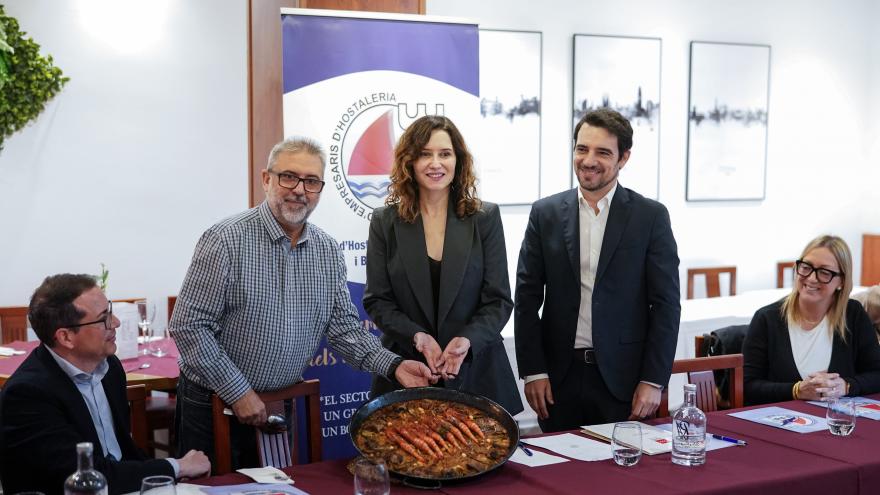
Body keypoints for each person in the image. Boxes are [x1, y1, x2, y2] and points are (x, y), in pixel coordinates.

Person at [170, 137, 435, 469]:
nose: (299, 189)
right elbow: (188, 326)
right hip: (215, 405)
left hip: (279, 406)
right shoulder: (225, 240)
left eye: (311, 181)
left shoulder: (327, 250)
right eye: (288, 177)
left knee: (277, 490)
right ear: (266, 179)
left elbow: (344, 332)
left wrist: (395, 366)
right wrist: (238, 391)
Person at [514, 108, 680, 432]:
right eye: (582, 149)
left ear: (624, 158)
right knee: (558, 475)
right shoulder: (544, 214)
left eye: (603, 152)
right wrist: (533, 371)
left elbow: (666, 306)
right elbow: (526, 297)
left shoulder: (650, 217)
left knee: (621, 479)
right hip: (557, 381)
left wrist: (653, 380)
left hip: (624, 382)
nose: (589, 160)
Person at [363, 115, 523, 414]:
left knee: (479, 461)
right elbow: (378, 301)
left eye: (444, 154)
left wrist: (467, 339)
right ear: (409, 161)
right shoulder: (385, 221)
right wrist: (418, 338)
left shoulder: (484, 218)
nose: (435, 163)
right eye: (425, 154)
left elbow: (498, 300)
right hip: (408, 374)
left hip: (477, 372)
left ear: (458, 161)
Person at [0, 274, 210, 495]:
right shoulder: (27, 395)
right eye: (104, 318)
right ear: (66, 337)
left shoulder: (109, 368)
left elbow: (122, 453)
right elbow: (88, 476)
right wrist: (176, 466)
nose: (116, 323)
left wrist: (170, 474)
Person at [743, 235, 880, 405]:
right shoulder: (766, 319)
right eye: (806, 267)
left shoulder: (853, 315)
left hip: (837, 422)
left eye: (824, 272)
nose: (811, 278)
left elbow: (876, 374)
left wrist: (846, 386)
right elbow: (747, 387)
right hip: (781, 424)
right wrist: (796, 390)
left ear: (842, 281)